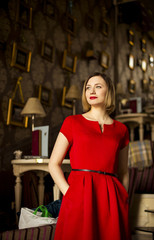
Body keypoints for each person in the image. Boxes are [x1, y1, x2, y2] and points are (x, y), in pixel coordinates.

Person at [49, 72, 131, 240]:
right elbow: (53, 164)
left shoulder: (121, 129)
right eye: (88, 87)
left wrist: (123, 196)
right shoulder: (72, 122)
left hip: (111, 197)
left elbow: (123, 171)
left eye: (98, 86)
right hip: (79, 192)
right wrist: (69, 193)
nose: (91, 91)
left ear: (109, 92)